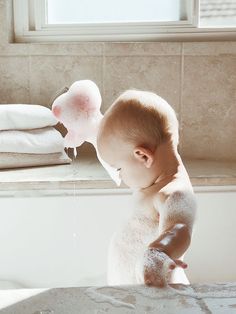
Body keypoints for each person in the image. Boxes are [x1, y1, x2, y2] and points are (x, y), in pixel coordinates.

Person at [97, 90, 197, 287]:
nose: (120, 176)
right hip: (133, 297)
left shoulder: (174, 193)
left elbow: (179, 229)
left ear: (143, 156)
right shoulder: (155, 182)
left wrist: (158, 254)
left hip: (157, 301)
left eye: (119, 168)